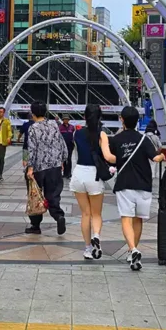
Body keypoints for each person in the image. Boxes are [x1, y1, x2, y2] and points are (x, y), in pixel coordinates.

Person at [100, 106, 165, 271]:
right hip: (144, 185)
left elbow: (110, 158)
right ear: (137, 121)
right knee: (138, 219)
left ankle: (133, 249)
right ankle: (132, 252)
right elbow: (155, 157)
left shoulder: (116, 139)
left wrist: (104, 142)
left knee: (126, 219)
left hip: (125, 184)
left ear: (122, 119)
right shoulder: (144, 140)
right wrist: (161, 156)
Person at [70, 105, 115, 259]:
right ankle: (96, 235)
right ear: (100, 117)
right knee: (96, 214)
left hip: (78, 174)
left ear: (85, 117)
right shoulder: (102, 134)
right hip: (94, 175)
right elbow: (108, 157)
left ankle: (88, 248)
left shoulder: (77, 133)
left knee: (85, 214)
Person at [25, 102, 68, 235]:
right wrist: (62, 159)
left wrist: (30, 167)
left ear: (33, 113)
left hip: (39, 167)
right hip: (54, 166)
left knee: (35, 194)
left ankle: (35, 225)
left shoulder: (33, 128)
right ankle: (58, 216)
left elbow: (32, 149)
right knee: (53, 194)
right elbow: (61, 143)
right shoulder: (54, 125)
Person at [59, 115, 76, 179]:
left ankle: (69, 173)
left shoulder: (72, 127)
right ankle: (64, 173)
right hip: (63, 146)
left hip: (70, 145)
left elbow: (74, 135)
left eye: (67, 119)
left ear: (68, 120)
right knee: (63, 159)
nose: (66, 120)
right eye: (64, 119)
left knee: (69, 159)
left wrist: (73, 142)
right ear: (63, 120)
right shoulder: (60, 127)